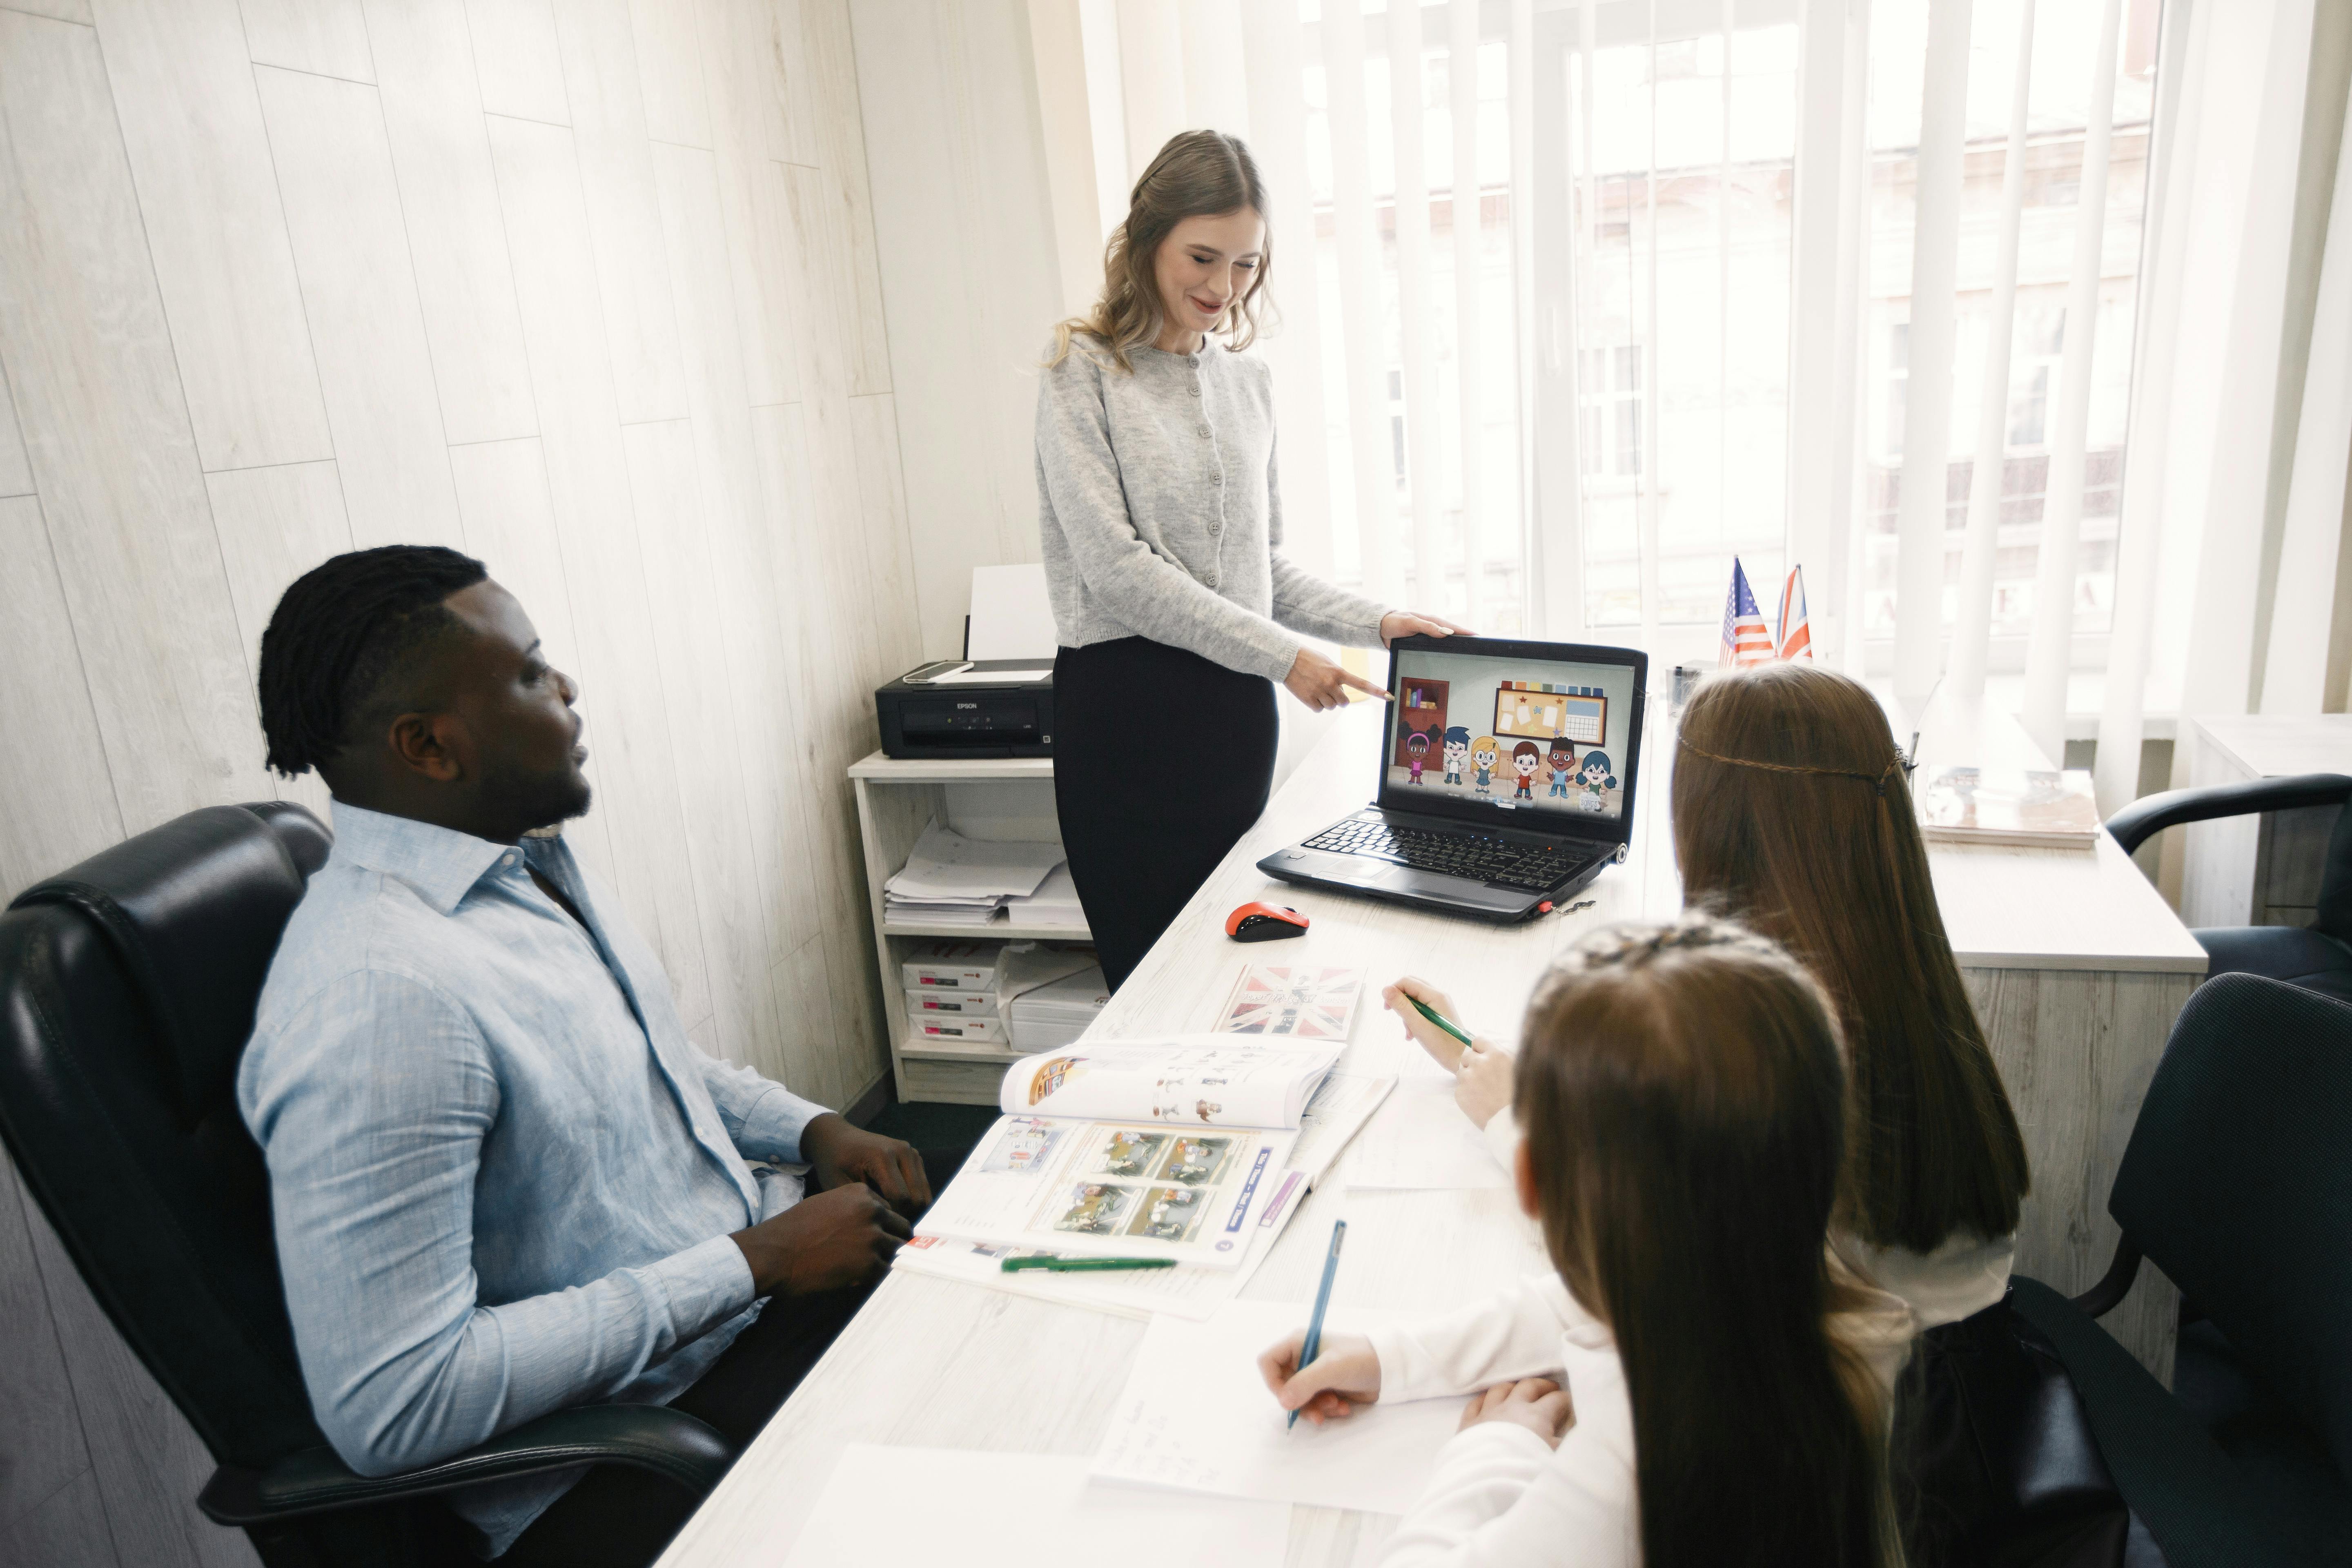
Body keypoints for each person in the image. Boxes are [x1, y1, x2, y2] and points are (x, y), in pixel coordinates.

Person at [242, 546, 942, 1567]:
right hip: (637, 1454)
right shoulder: (380, 998)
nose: (568, 689)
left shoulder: (519, 862)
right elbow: (395, 1404)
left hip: (740, 1309)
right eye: (530, 673)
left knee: (1044, 1231)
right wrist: (754, 1263)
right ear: (428, 746)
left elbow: (645, 1062)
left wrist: (808, 1126)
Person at [1385, 662, 2037, 1562]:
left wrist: (1511, 1126)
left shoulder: (1802, 1065)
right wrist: (1495, 1068)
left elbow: (1637, 1241)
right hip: (1953, 1404)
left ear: (1711, 830)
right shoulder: (1869, 989)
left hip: (1892, 1481)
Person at [1262, 919, 1913, 1567]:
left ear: (1530, 1181)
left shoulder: (1625, 1473)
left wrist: (1497, 1448)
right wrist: (1391, 1357)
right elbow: (1579, 1302)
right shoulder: (1816, 1294)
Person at [1036, 128, 1468, 991]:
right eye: (1203, 256)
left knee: (1234, 982)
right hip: (1127, 720)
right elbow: (1119, 571)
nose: (1221, 287)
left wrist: (1379, 623)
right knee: (1151, 988)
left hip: (1232, 722)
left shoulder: (1249, 385)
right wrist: (1285, 657)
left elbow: (1259, 569)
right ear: (1148, 237)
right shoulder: (1079, 370)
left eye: (1244, 265)